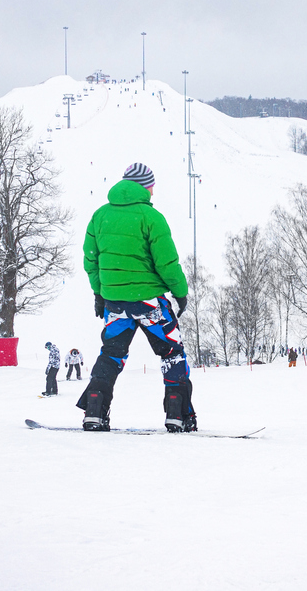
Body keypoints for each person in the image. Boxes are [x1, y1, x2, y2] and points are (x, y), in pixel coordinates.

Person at [76, 162, 195, 432]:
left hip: (115, 303)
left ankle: (95, 409)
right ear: (147, 186)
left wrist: (99, 293)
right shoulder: (151, 217)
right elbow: (167, 263)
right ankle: (178, 414)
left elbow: (90, 260)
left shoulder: (100, 216)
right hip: (149, 302)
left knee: (111, 355)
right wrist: (180, 293)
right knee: (171, 354)